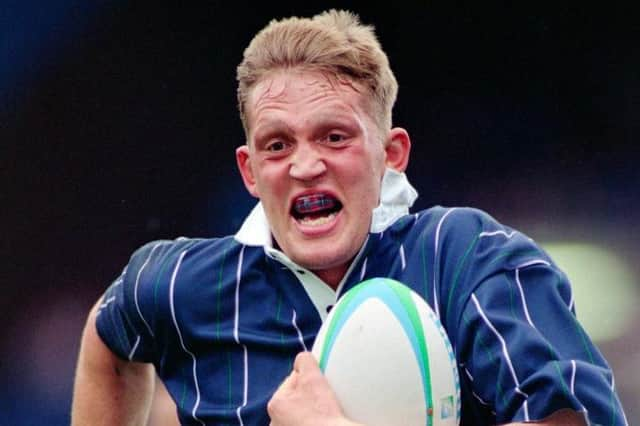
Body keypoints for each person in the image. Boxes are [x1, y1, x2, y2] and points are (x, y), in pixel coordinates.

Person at [72, 9, 627, 426]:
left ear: (391, 153)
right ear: (249, 170)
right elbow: (109, 333)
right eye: (277, 144)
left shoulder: (470, 261)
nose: (305, 165)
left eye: (334, 137)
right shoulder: (183, 284)